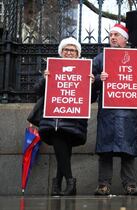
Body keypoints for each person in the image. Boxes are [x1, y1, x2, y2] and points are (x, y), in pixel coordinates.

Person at [36, 37, 94, 196]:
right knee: (60, 145)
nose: (69, 52)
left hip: (73, 120)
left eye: (72, 50)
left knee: (64, 150)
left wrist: (92, 84)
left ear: (77, 54)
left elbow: (91, 98)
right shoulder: (51, 68)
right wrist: (44, 79)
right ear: (61, 52)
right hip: (53, 119)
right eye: (66, 50)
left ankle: (57, 184)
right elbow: (38, 91)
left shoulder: (85, 70)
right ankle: (69, 181)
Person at [92, 23, 137, 196]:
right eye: (111, 34)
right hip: (108, 112)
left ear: (125, 40)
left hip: (129, 111)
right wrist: (99, 78)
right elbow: (88, 80)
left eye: (116, 35)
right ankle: (103, 184)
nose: (113, 37)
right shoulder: (100, 59)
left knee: (127, 149)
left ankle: (130, 184)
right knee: (106, 149)